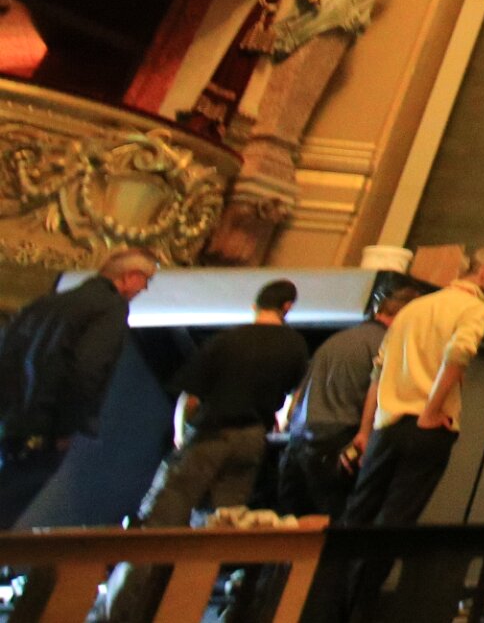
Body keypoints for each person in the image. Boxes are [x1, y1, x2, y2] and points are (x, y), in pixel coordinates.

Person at [101, 279, 312, 623]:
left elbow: (191, 397)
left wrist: (181, 435)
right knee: (217, 532)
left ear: (255, 306)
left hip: (211, 437)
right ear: (287, 306)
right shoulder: (295, 346)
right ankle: (183, 612)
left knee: (159, 526)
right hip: (252, 440)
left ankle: (121, 614)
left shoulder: (228, 340)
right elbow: (294, 398)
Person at [342, 244, 484, 618]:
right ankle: (359, 612)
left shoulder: (415, 307)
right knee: (394, 525)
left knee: (357, 517)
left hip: (386, 426)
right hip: (425, 429)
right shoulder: (474, 308)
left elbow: (378, 372)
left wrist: (366, 429)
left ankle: (329, 605)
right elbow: (459, 354)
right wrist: (431, 410)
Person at [0, 246, 155, 526]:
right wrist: (66, 428)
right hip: (43, 429)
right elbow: (87, 370)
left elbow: (7, 353)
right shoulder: (110, 308)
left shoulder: (47, 303)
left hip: (10, 423)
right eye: (146, 281)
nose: (143, 289)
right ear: (130, 277)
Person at [279, 281, 423, 520]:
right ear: (405, 316)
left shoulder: (337, 339)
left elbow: (299, 395)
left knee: (295, 527)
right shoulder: (386, 345)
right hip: (340, 443)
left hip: (298, 443)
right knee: (341, 523)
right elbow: (383, 398)